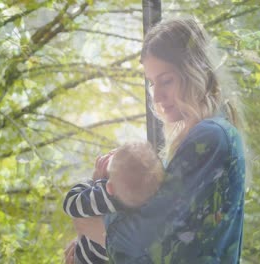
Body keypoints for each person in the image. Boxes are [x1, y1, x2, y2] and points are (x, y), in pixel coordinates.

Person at [67, 17, 246, 263]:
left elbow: (144, 240)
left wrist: (91, 225)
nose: (157, 96)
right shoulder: (208, 134)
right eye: (152, 83)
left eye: (166, 80)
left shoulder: (210, 137)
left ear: (194, 70)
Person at [63, 142, 164, 264]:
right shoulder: (143, 201)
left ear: (109, 186)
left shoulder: (108, 197)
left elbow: (70, 204)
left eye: (113, 156)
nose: (110, 153)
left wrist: (95, 180)